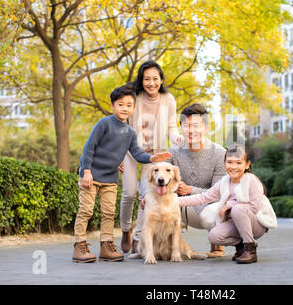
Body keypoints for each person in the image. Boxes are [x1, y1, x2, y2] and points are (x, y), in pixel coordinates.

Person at [72, 84, 172, 263]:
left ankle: (107, 245)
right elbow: (89, 147)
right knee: (86, 211)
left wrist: (152, 158)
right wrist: (86, 171)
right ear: (112, 106)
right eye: (120, 104)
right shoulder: (104, 123)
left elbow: (137, 154)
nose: (124, 108)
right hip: (92, 176)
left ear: (133, 108)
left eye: (128, 105)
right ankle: (79, 246)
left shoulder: (130, 133)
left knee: (109, 213)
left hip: (110, 179)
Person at [139, 103, 228, 257]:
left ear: (205, 128)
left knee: (214, 209)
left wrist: (191, 190)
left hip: (206, 207)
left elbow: (220, 193)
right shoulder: (173, 151)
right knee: (150, 201)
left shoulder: (219, 153)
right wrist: (146, 195)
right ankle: (146, 245)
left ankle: (217, 243)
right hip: (178, 206)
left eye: (196, 125)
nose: (191, 130)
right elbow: (155, 175)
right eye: (186, 126)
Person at [119, 60, 184, 254]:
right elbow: (121, 125)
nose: (151, 83)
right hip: (131, 149)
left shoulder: (168, 100)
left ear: (161, 80)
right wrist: (118, 156)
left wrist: (177, 138)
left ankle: (138, 238)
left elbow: (172, 126)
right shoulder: (134, 97)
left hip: (154, 155)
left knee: (146, 195)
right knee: (129, 193)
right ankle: (125, 230)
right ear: (141, 80)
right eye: (146, 79)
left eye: (155, 78)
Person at [178, 144, 278, 264]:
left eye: (238, 163)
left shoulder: (251, 181)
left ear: (247, 165)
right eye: (229, 162)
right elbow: (203, 197)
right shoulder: (224, 182)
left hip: (256, 223)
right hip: (235, 223)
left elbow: (254, 208)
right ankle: (241, 247)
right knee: (214, 236)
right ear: (224, 163)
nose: (233, 166)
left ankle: (250, 249)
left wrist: (230, 204)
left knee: (237, 209)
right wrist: (175, 202)